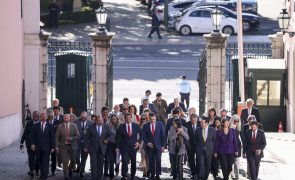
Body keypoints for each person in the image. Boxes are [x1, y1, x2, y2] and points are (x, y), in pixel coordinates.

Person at [84, 115, 112, 180]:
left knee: (100, 164)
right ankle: (94, 177)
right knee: (93, 164)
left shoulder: (106, 126)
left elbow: (112, 134)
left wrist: (107, 140)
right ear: (95, 121)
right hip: (93, 148)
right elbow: (86, 137)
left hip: (102, 149)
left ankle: (99, 177)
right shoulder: (91, 127)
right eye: (98, 121)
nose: (100, 122)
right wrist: (85, 147)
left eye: (101, 121)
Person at [116, 113, 142, 180]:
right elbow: (118, 137)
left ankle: (133, 175)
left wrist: (138, 142)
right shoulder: (121, 126)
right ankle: (124, 175)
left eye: (129, 117)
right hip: (124, 147)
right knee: (124, 161)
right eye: (126, 118)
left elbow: (142, 134)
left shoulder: (136, 126)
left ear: (131, 118)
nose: (128, 119)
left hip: (133, 147)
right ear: (124, 119)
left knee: (133, 161)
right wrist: (117, 147)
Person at [30, 113, 55, 180]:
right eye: (42, 117)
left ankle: (44, 176)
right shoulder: (35, 125)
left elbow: (52, 137)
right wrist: (32, 144)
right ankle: (43, 173)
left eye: (45, 117)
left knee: (45, 162)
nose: (43, 118)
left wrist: (53, 147)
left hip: (47, 147)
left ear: (47, 117)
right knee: (39, 161)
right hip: (38, 147)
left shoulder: (50, 126)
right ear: (40, 117)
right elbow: (32, 136)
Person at [55, 114, 80, 180]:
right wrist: (57, 147)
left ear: (69, 118)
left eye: (67, 118)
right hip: (63, 146)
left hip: (72, 146)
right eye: (65, 118)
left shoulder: (74, 126)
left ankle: (70, 169)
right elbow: (56, 137)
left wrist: (72, 138)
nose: (66, 119)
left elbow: (78, 136)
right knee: (65, 161)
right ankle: (66, 175)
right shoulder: (60, 126)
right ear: (63, 119)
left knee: (73, 161)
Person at [142, 113, 166, 180]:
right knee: (151, 160)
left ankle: (158, 175)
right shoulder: (145, 125)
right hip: (150, 146)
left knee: (158, 160)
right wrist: (147, 143)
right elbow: (144, 136)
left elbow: (163, 136)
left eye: (154, 119)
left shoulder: (160, 124)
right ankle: (152, 174)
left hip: (159, 146)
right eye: (151, 119)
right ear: (149, 118)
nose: (152, 121)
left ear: (155, 118)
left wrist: (163, 146)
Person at [195, 116, 216, 180]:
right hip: (200, 150)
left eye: (202, 123)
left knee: (208, 164)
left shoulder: (212, 130)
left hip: (209, 150)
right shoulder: (198, 129)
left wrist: (214, 150)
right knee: (200, 163)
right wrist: (196, 148)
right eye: (200, 122)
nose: (201, 124)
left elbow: (214, 141)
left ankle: (206, 176)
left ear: (207, 123)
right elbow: (195, 140)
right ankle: (201, 176)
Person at [20, 111, 40, 177]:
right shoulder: (29, 123)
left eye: (37, 116)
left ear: (39, 116)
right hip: (29, 144)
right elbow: (25, 133)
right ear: (32, 116)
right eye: (34, 116)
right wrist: (21, 143)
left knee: (37, 158)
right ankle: (31, 170)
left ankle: (37, 169)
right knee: (31, 157)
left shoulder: (41, 123)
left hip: (38, 144)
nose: (35, 117)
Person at [74, 111, 93, 177]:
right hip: (77, 142)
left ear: (87, 117)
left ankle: (82, 170)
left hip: (86, 143)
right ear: (80, 116)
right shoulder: (76, 122)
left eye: (85, 117)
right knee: (76, 156)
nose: (83, 119)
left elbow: (92, 134)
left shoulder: (91, 123)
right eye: (82, 117)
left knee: (84, 158)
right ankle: (79, 166)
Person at [185, 114, 199, 179]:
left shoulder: (200, 124)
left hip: (198, 145)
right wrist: (187, 145)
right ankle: (194, 174)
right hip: (190, 145)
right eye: (192, 120)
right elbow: (185, 136)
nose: (193, 122)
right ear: (190, 119)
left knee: (199, 159)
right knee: (191, 160)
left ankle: (199, 173)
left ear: (197, 119)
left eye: (195, 120)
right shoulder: (186, 124)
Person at [106, 114, 120, 179]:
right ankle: (111, 175)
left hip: (118, 145)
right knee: (111, 160)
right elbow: (106, 135)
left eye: (115, 119)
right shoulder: (108, 126)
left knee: (117, 159)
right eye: (112, 119)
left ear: (117, 119)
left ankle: (117, 169)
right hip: (110, 144)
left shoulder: (120, 126)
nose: (113, 120)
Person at [230, 115, 242, 179]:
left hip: (238, 145)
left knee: (237, 162)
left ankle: (237, 175)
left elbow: (242, 137)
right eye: (235, 120)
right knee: (231, 161)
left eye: (238, 121)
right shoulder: (229, 126)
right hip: (230, 145)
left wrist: (243, 145)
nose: (236, 122)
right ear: (232, 120)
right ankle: (232, 175)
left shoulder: (239, 127)